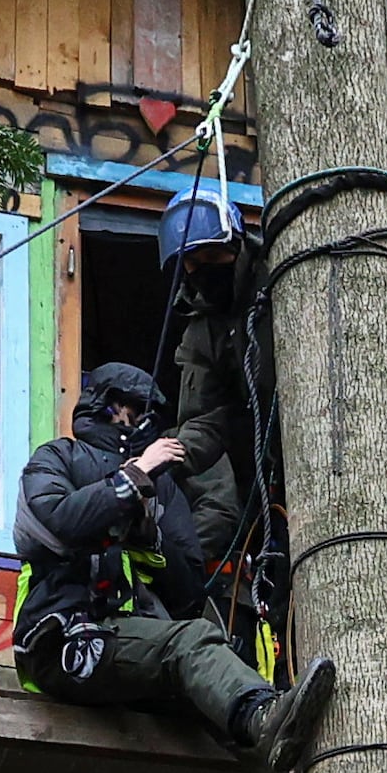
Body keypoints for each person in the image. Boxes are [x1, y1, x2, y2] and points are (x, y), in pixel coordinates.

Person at [17, 361, 334, 772]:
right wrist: (133, 479)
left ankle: (274, 755)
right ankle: (263, 718)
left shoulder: (165, 489)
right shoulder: (58, 458)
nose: (140, 419)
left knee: (204, 664)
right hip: (63, 638)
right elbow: (54, 519)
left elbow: (188, 594)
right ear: (108, 406)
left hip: (132, 646)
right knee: (189, 643)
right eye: (131, 408)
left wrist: (150, 535)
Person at [157, 187, 270, 612]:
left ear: (235, 245)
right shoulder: (200, 331)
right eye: (191, 265)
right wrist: (168, 460)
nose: (202, 272)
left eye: (211, 259)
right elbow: (206, 418)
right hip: (260, 473)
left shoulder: (280, 277)